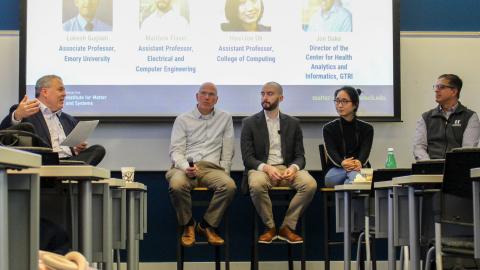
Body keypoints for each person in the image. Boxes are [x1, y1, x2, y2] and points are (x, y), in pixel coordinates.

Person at [241, 82, 317, 244]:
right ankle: (270, 227)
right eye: (262, 94)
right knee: (256, 183)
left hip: (286, 169)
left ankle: (287, 227)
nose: (265, 98)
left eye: (270, 94)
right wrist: (266, 168)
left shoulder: (293, 123)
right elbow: (248, 158)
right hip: (262, 169)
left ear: (280, 98)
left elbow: (300, 156)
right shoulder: (249, 123)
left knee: (310, 183)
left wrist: (293, 168)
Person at [166, 82, 236, 247]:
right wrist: (185, 167)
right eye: (203, 93)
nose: (207, 97)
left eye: (211, 94)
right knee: (176, 185)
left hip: (212, 168)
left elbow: (228, 150)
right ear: (197, 97)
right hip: (185, 167)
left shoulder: (225, 118)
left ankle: (206, 225)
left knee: (229, 186)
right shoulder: (182, 119)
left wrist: (225, 173)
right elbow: (175, 151)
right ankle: (188, 224)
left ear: (216, 99)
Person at [0, 75, 106, 165]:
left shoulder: (69, 120)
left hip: (69, 162)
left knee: (98, 149)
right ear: (45, 92)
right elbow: (4, 134)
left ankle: (68, 172)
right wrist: (17, 115)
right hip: (44, 162)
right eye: (60, 89)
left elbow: (72, 150)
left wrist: (75, 149)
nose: (65, 94)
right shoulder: (26, 111)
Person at [413, 74, 480, 161]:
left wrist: (452, 167)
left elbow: (467, 150)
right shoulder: (426, 117)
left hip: (456, 168)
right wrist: (429, 165)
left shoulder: (470, 117)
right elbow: (419, 147)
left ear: (454, 91)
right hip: (430, 167)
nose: (436, 90)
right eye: (436, 87)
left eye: (441, 87)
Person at [322, 86, 373, 187]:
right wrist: (342, 162)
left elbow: (365, 151)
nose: (340, 105)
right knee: (360, 179)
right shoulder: (328, 128)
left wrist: (359, 162)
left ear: (355, 104)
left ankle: (347, 194)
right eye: (337, 101)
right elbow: (331, 152)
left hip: (360, 168)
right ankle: (353, 185)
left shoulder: (367, 128)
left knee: (353, 179)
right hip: (335, 172)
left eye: (344, 101)